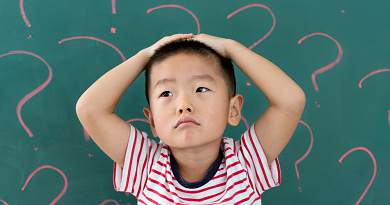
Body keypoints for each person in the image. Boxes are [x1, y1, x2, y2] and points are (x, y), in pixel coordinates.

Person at [76, 33, 306, 204]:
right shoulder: (146, 167)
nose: (184, 105)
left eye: (201, 89)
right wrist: (146, 56)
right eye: (166, 93)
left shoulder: (245, 165)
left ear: (233, 110)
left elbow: (290, 101)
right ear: (152, 121)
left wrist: (232, 48)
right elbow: (90, 109)